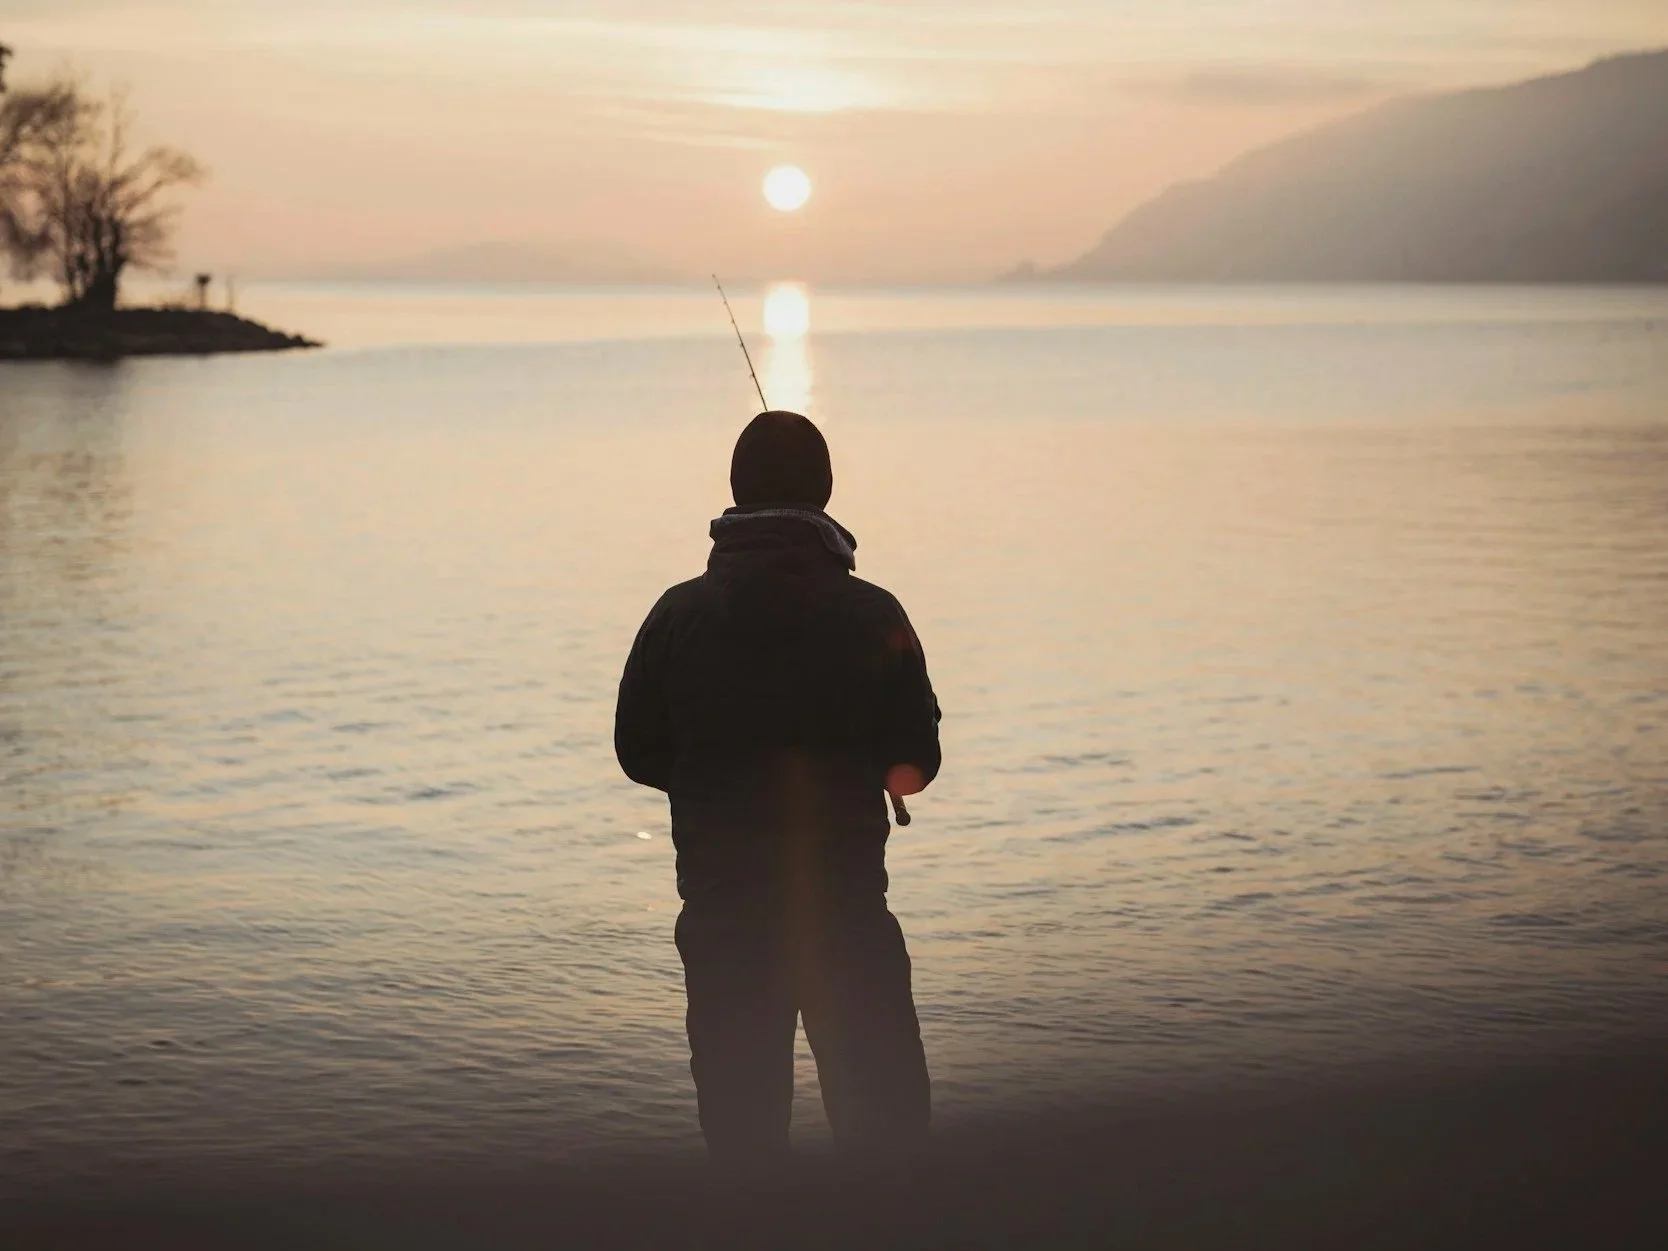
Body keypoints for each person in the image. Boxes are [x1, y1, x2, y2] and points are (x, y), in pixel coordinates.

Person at [614, 410, 942, 1167]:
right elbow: (917, 762)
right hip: (846, 913)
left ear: (736, 492)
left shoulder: (676, 615)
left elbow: (638, 753)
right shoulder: (874, 613)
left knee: (744, 1148)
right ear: (824, 491)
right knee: (887, 1144)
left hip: (723, 915)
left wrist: (711, 776)